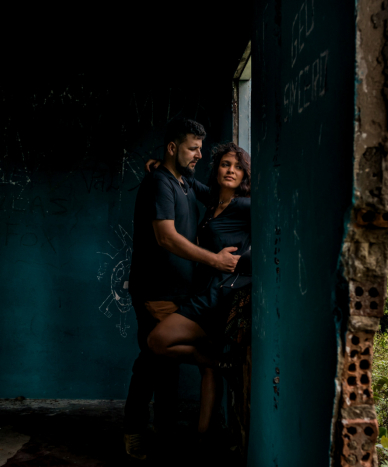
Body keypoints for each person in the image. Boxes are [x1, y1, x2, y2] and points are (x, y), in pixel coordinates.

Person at [124, 119, 240, 460]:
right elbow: (165, 237)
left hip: (181, 292)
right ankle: (133, 430)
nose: (200, 155)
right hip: (155, 290)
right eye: (193, 148)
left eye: (201, 149)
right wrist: (215, 261)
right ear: (173, 147)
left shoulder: (184, 181)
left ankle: (164, 428)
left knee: (166, 363)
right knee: (151, 358)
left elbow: (218, 196)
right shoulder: (160, 183)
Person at [147, 142, 252, 444]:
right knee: (207, 368)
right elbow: (191, 182)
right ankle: (203, 439)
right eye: (224, 164)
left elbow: (276, 235)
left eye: (237, 166)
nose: (230, 170)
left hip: (219, 298)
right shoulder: (213, 200)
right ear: (216, 169)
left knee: (158, 341)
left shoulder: (245, 205)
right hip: (205, 291)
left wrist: (240, 263)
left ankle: (215, 361)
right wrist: (163, 165)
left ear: (245, 173)